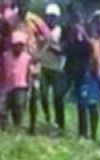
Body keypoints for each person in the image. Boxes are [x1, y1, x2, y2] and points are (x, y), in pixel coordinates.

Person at [61, 6, 99, 140]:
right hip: (69, 69)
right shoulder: (66, 30)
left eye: (76, 19)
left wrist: (83, 35)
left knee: (82, 102)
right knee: (59, 95)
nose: (75, 22)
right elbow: (63, 49)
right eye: (72, 19)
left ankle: (83, 132)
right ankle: (60, 125)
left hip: (82, 71)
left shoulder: (87, 31)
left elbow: (92, 49)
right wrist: (71, 37)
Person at [12, 0, 48, 134]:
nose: (22, 6)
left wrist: (39, 54)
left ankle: (32, 126)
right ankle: (17, 123)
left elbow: (48, 38)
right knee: (17, 90)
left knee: (34, 91)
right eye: (20, 4)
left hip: (32, 61)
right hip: (16, 60)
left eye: (25, 4)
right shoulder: (12, 19)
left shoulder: (35, 20)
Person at [0, 28, 31, 129]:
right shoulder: (6, 56)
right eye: (16, 45)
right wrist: (0, 84)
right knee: (3, 107)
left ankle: (18, 125)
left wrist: (28, 85)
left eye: (20, 45)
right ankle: (1, 126)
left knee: (18, 105)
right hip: (7, 85)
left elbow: (29, 72)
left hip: (20, 86)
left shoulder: (26, 57)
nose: (18, 47)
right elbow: (1, 70)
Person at [38, 2, 65, 132]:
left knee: (57, 97)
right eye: (49, 16)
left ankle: (59, 122)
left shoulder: (61, 31)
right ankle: (48, 117)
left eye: (53, 16)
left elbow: (63, 49)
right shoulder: (41, 29)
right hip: (43, 66)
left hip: (56, 67)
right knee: (43, 94)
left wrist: (51, 45)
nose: (51, 19)